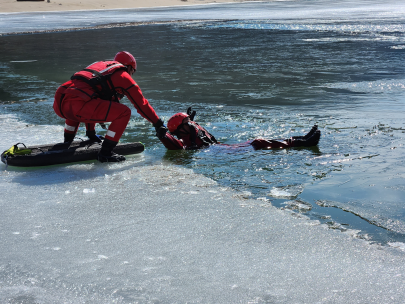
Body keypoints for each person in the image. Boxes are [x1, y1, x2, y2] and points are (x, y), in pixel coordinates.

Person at [53, 51, 166, 162]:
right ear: (130, 68)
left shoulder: (99, 67)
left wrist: (91, 134)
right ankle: (106, 153)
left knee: (78, 99)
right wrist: (158, 123)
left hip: (60, 101)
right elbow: (141, 104)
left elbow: (91, 95)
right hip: (79, 105)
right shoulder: (122, 75)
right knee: (124, 113)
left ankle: (67, 142)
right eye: (132, 71)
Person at [155, 108, 320, 150]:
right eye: (187, 122)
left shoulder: (190, 130)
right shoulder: (184, 141)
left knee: (259, 139)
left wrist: (189, 122)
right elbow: (175, 145)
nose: (191, 123)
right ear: (180, 129)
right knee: (258, 142)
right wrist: (163, 135)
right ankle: (301, 143)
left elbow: (196, 132)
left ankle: (303, 138)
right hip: (218, 153)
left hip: (220, 148)